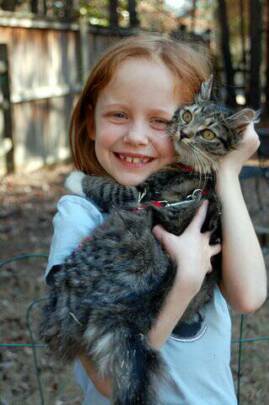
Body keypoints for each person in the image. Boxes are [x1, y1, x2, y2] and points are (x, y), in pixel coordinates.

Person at [45, 35, 267, 404]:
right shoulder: (80, 215)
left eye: (162, 121)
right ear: (89, 122)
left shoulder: (199, 201)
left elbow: (249, 296)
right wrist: (186, 282)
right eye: (118, 115)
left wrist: (227, 172)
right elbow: (110, 382)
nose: (136, 137)